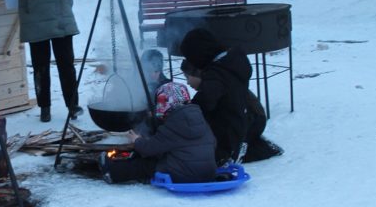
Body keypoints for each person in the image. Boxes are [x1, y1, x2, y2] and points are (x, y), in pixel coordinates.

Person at [99, 82, 216, 184]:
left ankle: (112, 172)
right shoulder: (199, 118)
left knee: (145, 165)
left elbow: (148, 149)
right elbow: (213, 143)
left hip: (184, 175)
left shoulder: (174, 124)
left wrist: (137, 140)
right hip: (208, 172)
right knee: (167, 157)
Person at [181, 59, 283, 163]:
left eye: (188, 77)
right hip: (248, 118)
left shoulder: (213, 85)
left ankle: (255, 147)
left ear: (199, 73)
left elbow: (200, 108)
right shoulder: (216, 79)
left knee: (221, 156)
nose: (188, 82)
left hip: (251, 120)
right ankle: (248, 142)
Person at [179, 28, 252, 166]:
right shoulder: (232, 63)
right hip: (235, 126)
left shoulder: (217, 75)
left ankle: (224, 157)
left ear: (199, 53)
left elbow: (203, 104)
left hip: (222, 136)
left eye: (191, 56)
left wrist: (181, 111)